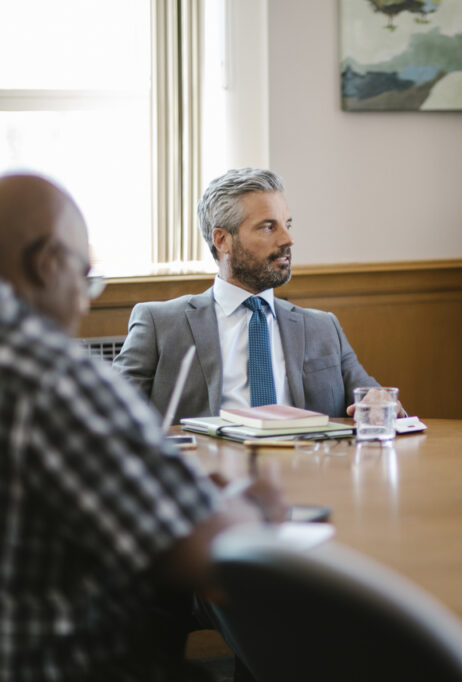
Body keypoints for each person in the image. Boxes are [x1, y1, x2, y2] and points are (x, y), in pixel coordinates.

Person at [0, 173, 284, 680]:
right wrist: (252, 507)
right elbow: (199, 552)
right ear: (47, 266)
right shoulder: (48, 374)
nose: (86, 301)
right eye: (86, 278)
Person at [114, 168, 384, 424]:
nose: (288, 239)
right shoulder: (159, 324)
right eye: (268, 227)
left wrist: (380, 404)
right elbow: (109, 414)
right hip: (208, 468)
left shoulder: (324, 327)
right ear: (222, 240)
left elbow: (377, 402)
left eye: (287, 224)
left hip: (303, 467)